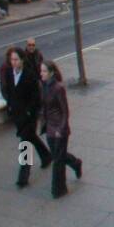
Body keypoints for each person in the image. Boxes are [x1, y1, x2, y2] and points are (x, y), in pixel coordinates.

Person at [0, 46, 51, 187]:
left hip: (28, 116)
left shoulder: (29, 75)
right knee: (31, 138)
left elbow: (35, 98)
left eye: (16, 59)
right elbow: (9, 91)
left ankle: (24, 175)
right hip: (17, 115)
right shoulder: (9, 73)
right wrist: (10, 106)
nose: (13, 62)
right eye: (12, 60)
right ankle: (46, 156)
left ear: (22, 60)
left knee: (25, 144)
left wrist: (29, 112)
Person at [41, 61, 82, 199]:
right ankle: (75, 163)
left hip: (59, 128)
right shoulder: (43, 86)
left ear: (51, 72)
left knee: (57, 161)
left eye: (44, 71)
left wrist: (61, 128)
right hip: (49, 127)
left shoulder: (58, 88)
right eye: (41, 71)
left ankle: (58, 189)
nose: (42, 74)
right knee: (58, 155)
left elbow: (65, 111)